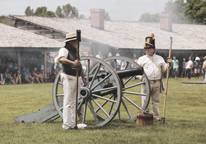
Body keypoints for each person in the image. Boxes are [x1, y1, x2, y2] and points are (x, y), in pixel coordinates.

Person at [137, 33, 172, 121]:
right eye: (146, 48)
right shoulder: (141, 59)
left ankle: (156, 117)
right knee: (145, 101)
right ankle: (146, 116)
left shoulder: (160, 58)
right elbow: (136, 71)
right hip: (146, 82)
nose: (147, 50)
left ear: (154, 49)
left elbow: (164, 69)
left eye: (149, 48)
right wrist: (140, 77)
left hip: (157, 83)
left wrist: (169, 64)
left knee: (156, 102)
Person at [57, 32, 87, 130]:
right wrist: (73, 63)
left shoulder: (75, 52)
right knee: (68, 102)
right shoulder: (64, 50)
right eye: (76, 41)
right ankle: (66, 124)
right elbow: (61, 59)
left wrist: (83, 78)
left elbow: (80, 67)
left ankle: (73, 124)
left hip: (77, 77)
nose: (77, 43)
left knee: (75, 102)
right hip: (69, 77)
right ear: (71, 41)